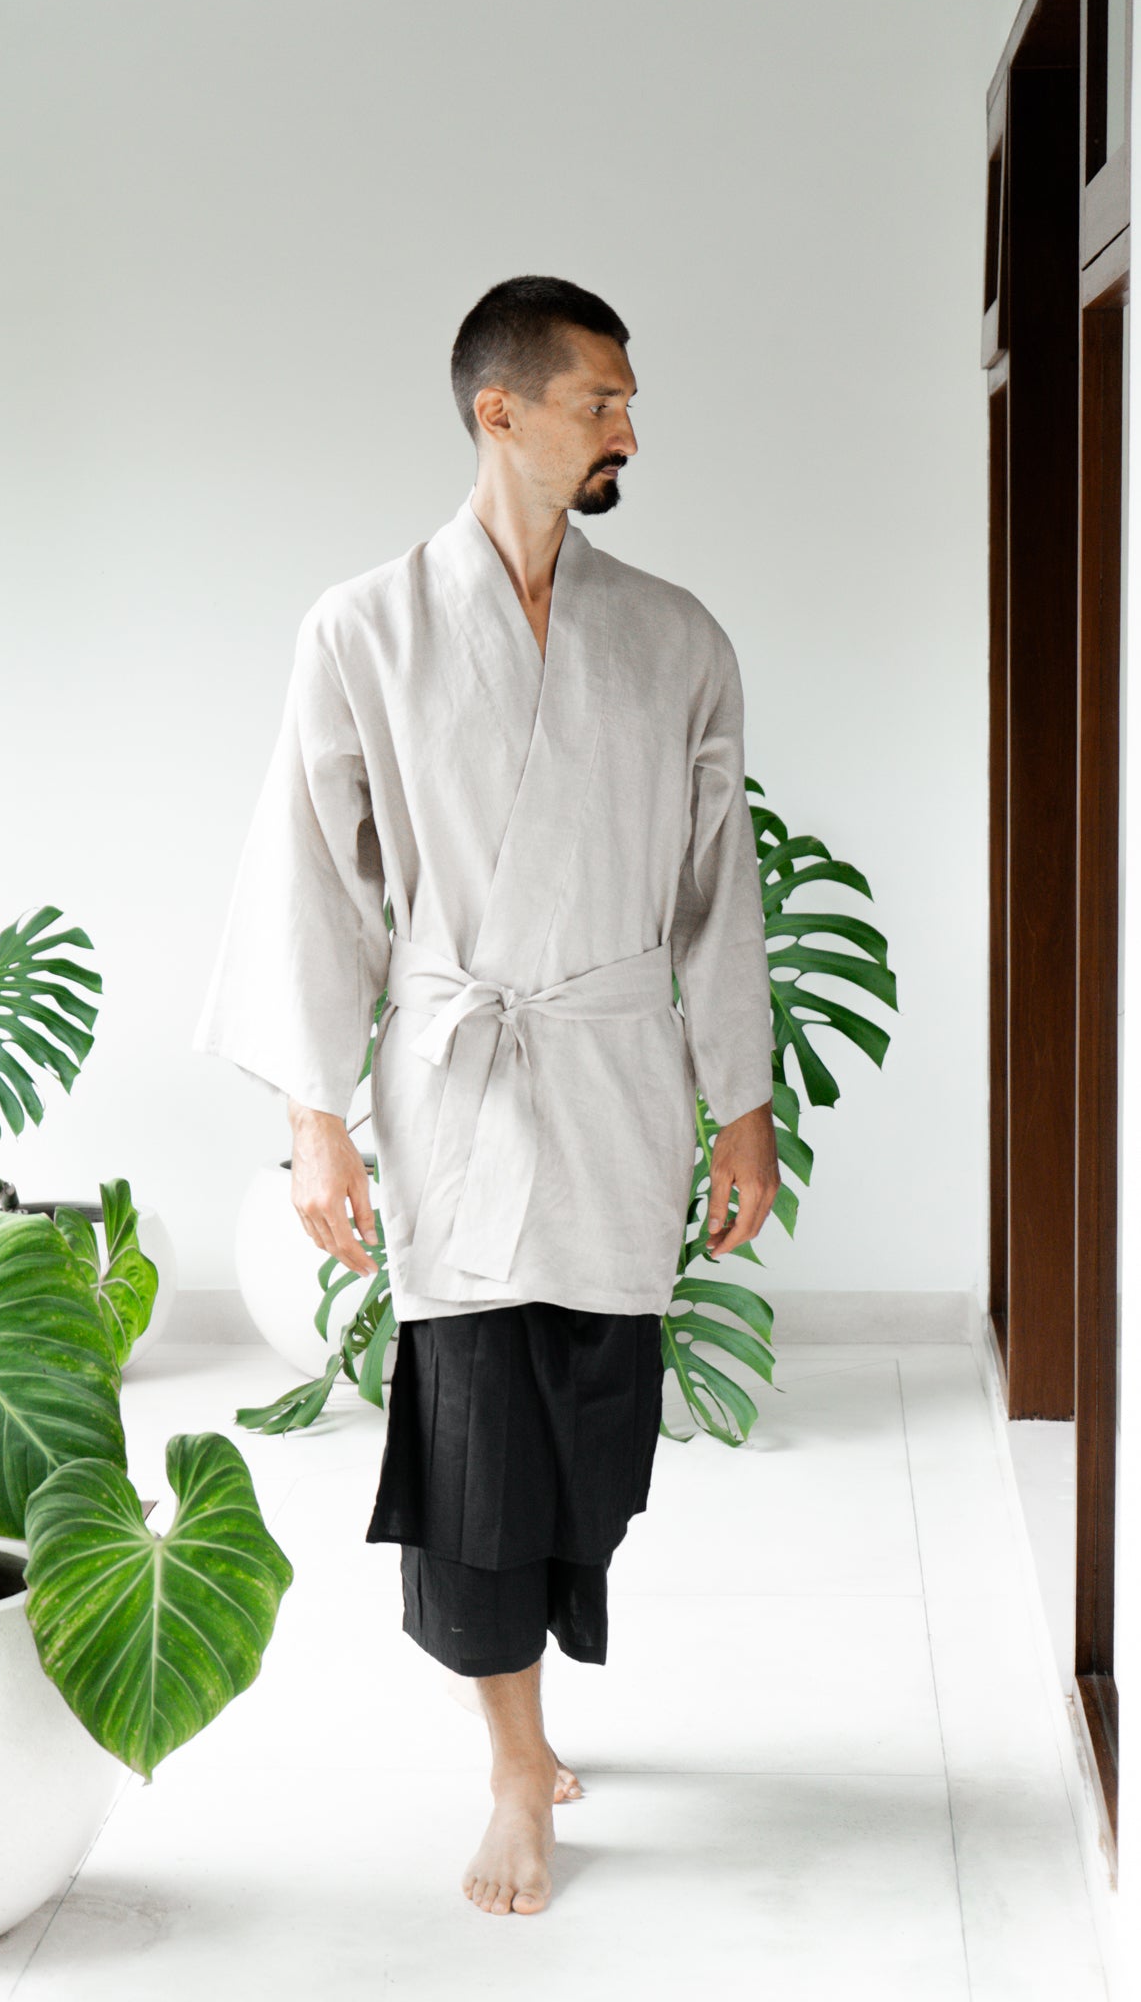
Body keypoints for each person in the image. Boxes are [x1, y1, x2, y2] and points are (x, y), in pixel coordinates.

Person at [192, 275, 779, 1917]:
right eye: (600, 400)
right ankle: (515, 1758)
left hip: (611, 1075)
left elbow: (717, 888)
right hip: (453, 1082)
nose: (626, 428)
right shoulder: (361, 630)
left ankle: (524, 1684)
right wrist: (313, 1117)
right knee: (471, 1434)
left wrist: (741, 1102)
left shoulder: (673, 636)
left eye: (626, 400)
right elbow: (309, 878)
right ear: (498, 412)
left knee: (595, 1423)